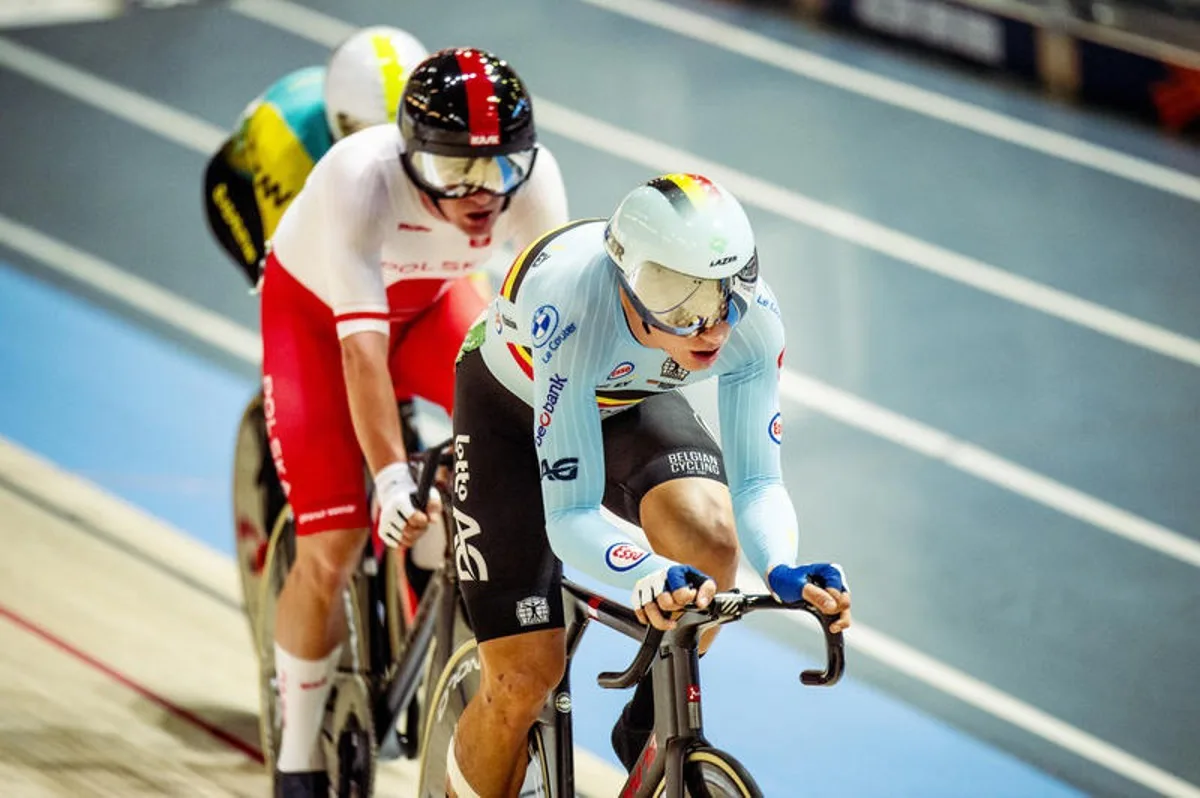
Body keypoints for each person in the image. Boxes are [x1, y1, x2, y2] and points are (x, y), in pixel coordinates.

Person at [448, 173, 852, 796]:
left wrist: (781, 569)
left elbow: (757, 481)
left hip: (621, 400)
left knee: (712, 541)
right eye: (678, 302)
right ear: (626, 280)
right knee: (523, 680)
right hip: (512, 409)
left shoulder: (752, 319)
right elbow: (571, 515)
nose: (710, 327)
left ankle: (647, 729)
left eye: (726, 293)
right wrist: (643, 570)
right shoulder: (575, 308)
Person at [258, 46, 569, 797]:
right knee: (330, 544)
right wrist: (392, 479)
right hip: (315, 315)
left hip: (432, 304)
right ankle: (297, 758)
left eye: (498, 169)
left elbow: (547, 347)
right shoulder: (358, 176)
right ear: (409, 157)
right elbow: (362, 358)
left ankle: (438, 559)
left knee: (514, 426)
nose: (478, 192)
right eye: (452, 171)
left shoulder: (536, 185)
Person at [203, 25, 429, 286]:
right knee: (292, 291)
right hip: (247, 190)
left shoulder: (431, 121)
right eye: (367, 131)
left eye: (402, 133)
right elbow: (294, 272)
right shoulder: (290, 142)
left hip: (329, 170)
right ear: (339, 120)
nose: (384, 147)